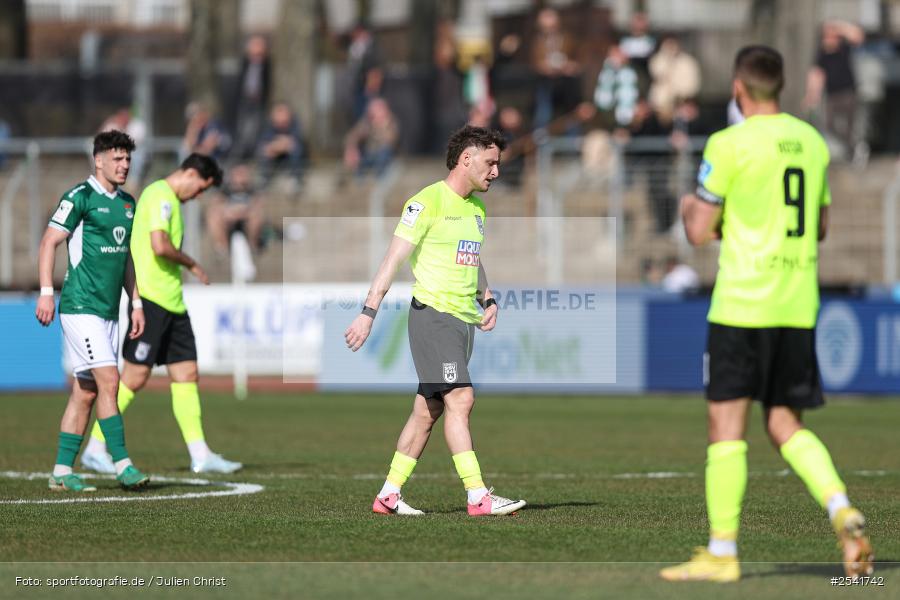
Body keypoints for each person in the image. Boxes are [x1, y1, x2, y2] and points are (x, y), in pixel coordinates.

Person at [660, 46, 873, 583]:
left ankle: (723, 552)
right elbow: (820, 226)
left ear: (738, 87)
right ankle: (840, 507)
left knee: (726, 425)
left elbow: (699, 231)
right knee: (784, 422)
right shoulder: (812, 141)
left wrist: (691, 207)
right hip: (798, 304)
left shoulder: (728, 143)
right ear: (781, 85)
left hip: (743, 303)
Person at [344, 125, 526, 517]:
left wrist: (487, 296)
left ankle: (388, 496)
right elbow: (392, 260)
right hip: (434, 318)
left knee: (427, 411)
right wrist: (368, 312)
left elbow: (471, 258)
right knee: (461, 397)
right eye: (490, 163)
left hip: (462, 321)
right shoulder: (426, 203)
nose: (496, 172)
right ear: (466, 159)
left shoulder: (476, 208)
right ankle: (478, 496)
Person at [80, 154, 242, 475]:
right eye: (201, 188)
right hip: (151, 301)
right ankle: (96, 448)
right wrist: (193, 264)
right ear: (192, 173)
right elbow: (159, 245)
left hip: (174, 303)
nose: (199, 196)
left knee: (186, 375)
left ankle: (200, 454)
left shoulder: (172, 202)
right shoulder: (159, 195)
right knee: (134, 377)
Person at [35, 130, 150, 492]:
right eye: (117, 159)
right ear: (98, 160)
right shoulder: (80, 197)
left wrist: (135, 301)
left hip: (109, 312)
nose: (124, 165)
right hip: (79, 306)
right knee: (109, 382)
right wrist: (46, 293)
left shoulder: (128, 204)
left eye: (127, 159)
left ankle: (61, 471)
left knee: (85, 391)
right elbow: (49, 242)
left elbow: (126, 257)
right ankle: (123, 465)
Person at [803, 20, 865, 160]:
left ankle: (854, 152)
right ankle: (854, 147)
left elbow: (858, 36)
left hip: (848, 92)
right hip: (832, 95)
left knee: (850, 126)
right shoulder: (822, 53)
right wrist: (811, 96)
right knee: (830, 125)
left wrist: (840, 27)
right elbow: (816, 75)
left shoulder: (844, 47)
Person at [206, 162, 265, 255]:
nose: (241, 177)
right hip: (228, 218)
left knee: (257, 216)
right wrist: (228, 211)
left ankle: (253, 245)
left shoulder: (252, 189)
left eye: (244, 174)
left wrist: (242, 212)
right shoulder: (225, 189)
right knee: (214, 216)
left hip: (247, 217)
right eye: (239, 174)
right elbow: (216, 203)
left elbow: (258, 205)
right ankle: (222, 247)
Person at [231, 34, 271, 160]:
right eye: (254, 46)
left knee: (256, 127)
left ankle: (253, 153)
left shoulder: (267, 65)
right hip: (244, 100)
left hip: (259, 101)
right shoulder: (244, 63)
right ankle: (239, 154)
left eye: (259, 46)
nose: (256, 50)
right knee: (242, 127)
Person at [343, 97, 398, 179]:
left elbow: (390, 140)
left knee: (385, 153)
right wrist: (351, 148)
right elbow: (352, 136)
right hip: (368, 156)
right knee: (358, 162)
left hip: (384, 158)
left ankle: (380, 178)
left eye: (376, 110)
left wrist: (377, 129)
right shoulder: (367, 123)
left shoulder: (390, 123)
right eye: (371, 111)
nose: (372, 114)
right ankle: (358, 181)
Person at [257, 102, 305, 184]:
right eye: (278, 121)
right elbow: (265, 144)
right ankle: (264, 178)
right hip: (274, 156)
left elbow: (295, 141)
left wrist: (278, 145)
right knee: (264, 151)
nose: (281, 124)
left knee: (296, 149)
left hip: (290, 157)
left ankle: (295, 179)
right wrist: (280, 145)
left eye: (284, 121)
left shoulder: (295, 124)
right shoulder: (268, 125)